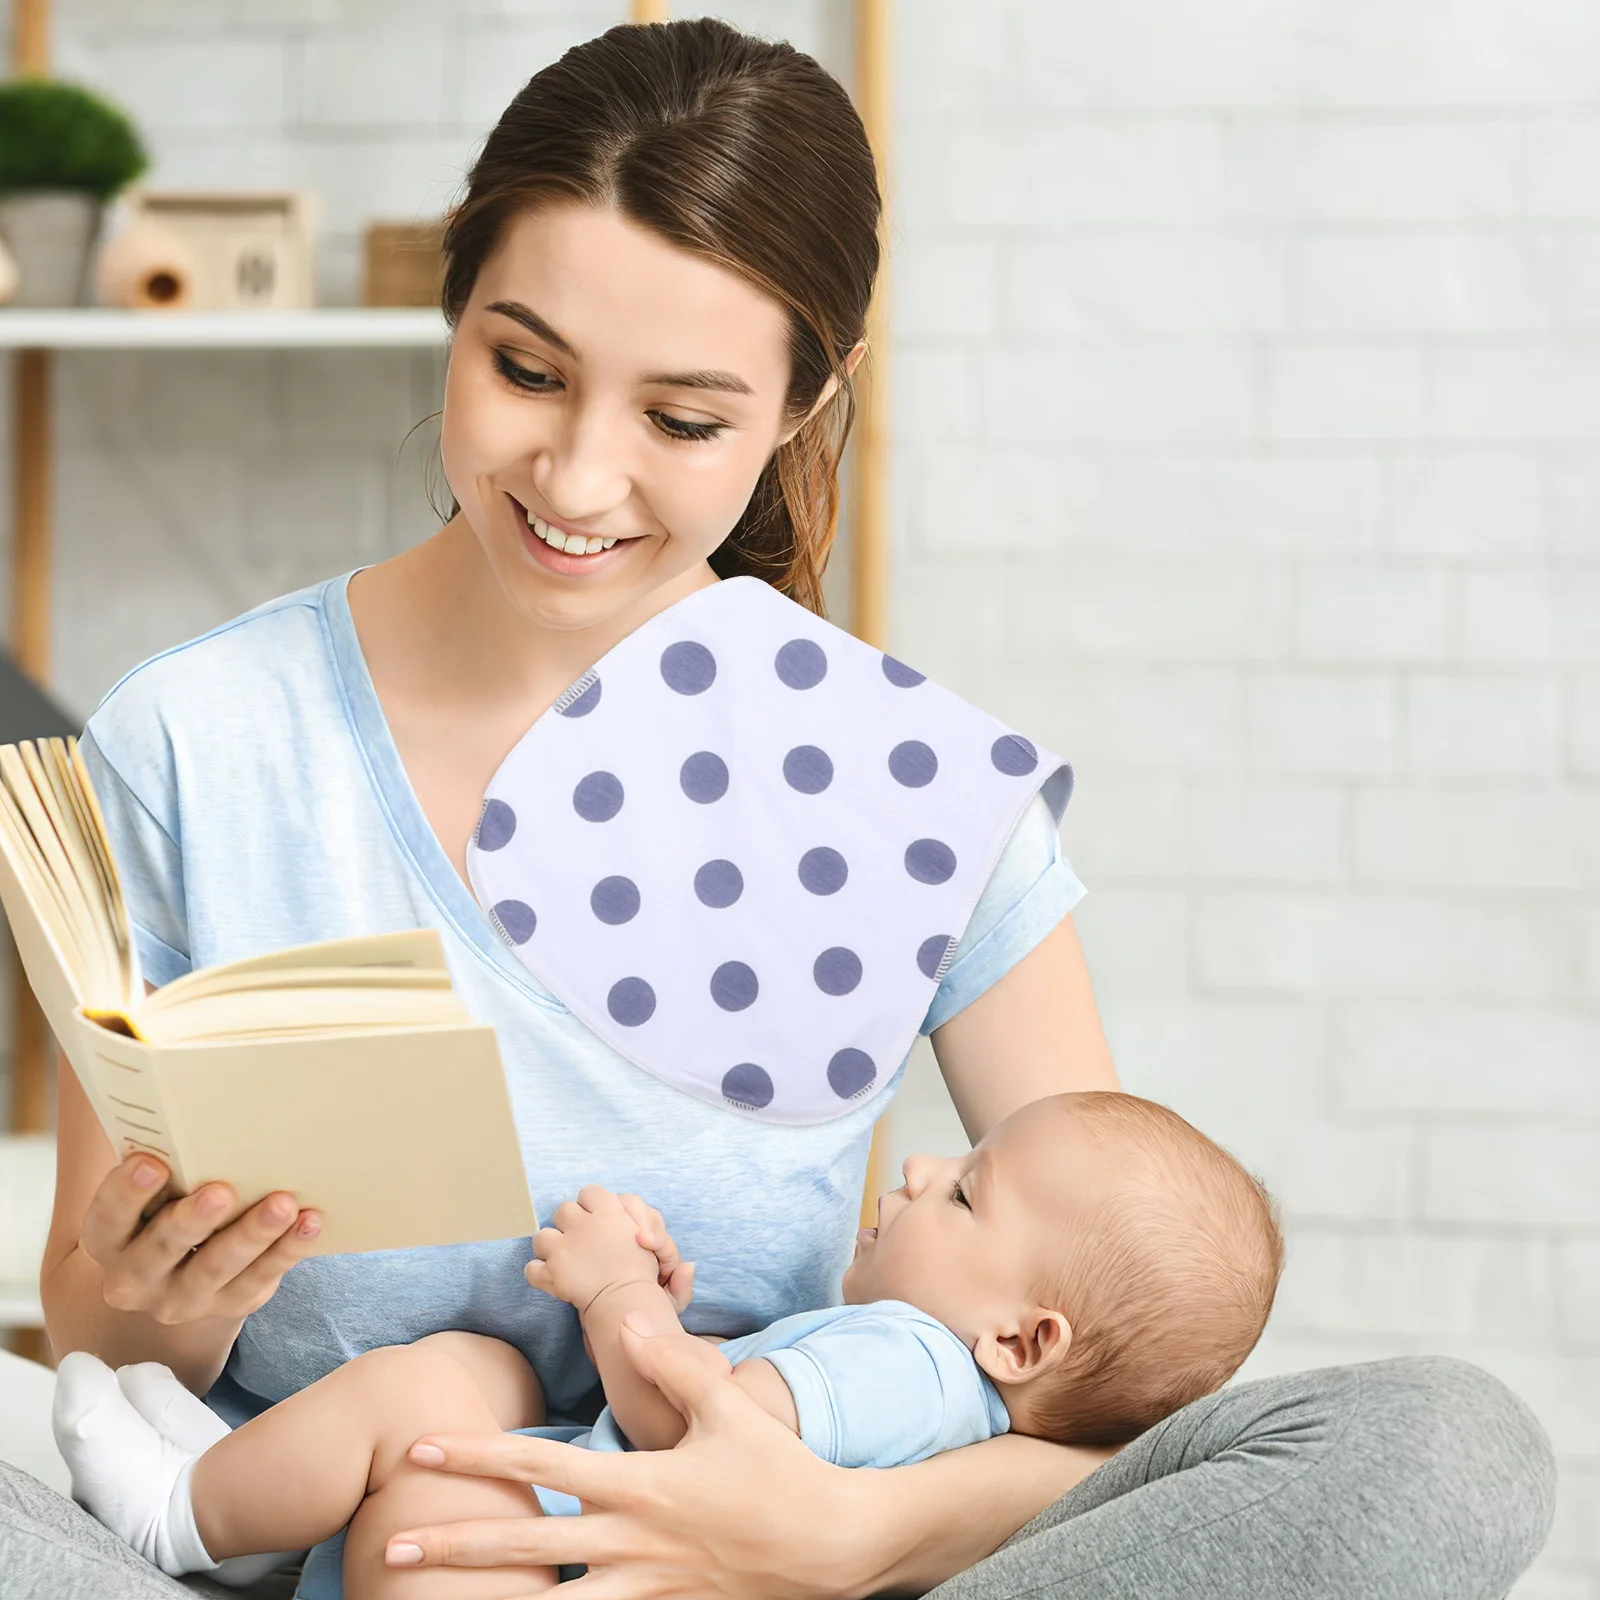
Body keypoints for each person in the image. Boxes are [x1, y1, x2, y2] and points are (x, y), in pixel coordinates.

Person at [15, 16, 1554, 1600]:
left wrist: (840, 1535)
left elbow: (1111, 1392)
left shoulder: (909, 786)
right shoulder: (196, 741)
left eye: (683, 421)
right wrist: (162, 1298)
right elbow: (101, 1347)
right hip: (306, 1554)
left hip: (770, 1567)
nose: (580, 478)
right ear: (453, 311)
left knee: (1447, 1443)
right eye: (523, 368)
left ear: (812, 398)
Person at [51, 1093, 1285, 1598]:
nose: (918, 1168)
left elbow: (702, 1430)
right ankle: (227, 1480)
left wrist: (616, 1299)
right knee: (484, 1374)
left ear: (1019, 1336)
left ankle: (182, 1516)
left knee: (432, 1403)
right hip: (572, 1527)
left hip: (556, 1567)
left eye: (963, 1193)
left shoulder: (916, 1358)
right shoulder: (916, 1374)